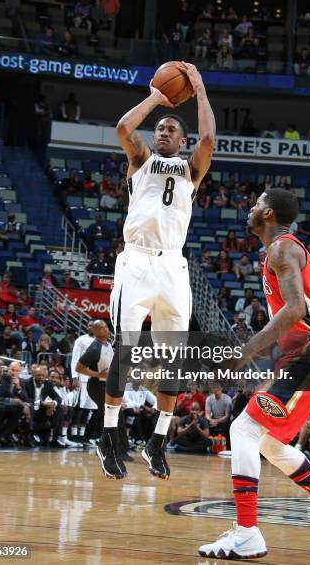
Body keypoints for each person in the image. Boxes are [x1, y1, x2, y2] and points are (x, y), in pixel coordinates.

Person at [199, 188, 310, 560]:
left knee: (243, 429)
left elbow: (292, 310)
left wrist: (245, 352)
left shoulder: (282, 248)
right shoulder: (281, 251)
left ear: (268, 213)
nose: (251, 208)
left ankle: (247, 533)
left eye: (256, 203)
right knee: (268, 444)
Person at [96, 61, 215, 480]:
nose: (162, 132)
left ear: (182, 141)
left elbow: (210, 137)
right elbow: (123, 129)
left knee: (174, 364)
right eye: (160, 128)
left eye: (170, 130)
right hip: (137, 260)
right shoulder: (141, 159)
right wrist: (155, 98)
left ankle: (157, 442)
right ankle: (108, 437)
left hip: (173, 266)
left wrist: (199, 89)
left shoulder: (191, 170)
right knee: (126, 351)